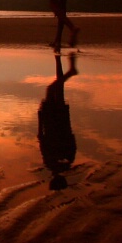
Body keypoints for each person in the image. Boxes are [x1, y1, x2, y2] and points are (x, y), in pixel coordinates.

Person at [37, 53, 78, 190]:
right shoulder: (51, 164)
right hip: (51, 121)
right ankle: (69, 71)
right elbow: (41, 138)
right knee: (52, 89)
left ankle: (60, 63)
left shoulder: (68, 162)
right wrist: (40, 118)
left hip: (61, 121)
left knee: (58, 89)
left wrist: (66, 119)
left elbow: (72, 139)